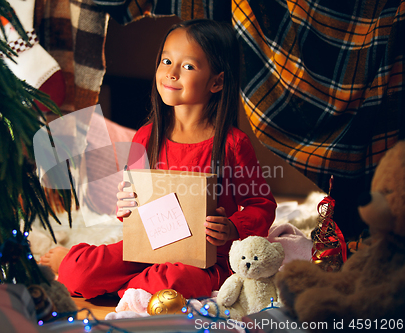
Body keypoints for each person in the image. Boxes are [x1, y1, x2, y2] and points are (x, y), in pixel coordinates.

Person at [42, 19, 276, 299]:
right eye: (166, 61)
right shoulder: (145, 137)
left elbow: (260, 204)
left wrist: (233, 227)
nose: (172, 73)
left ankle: (126, 289)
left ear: (217, 81)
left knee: (173, 281)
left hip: (203, 259)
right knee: (79, 271)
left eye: (188, 66)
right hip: (147, 246)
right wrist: (125, 204)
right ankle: (103, 277)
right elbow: (131, 205)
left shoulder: (232, 143)